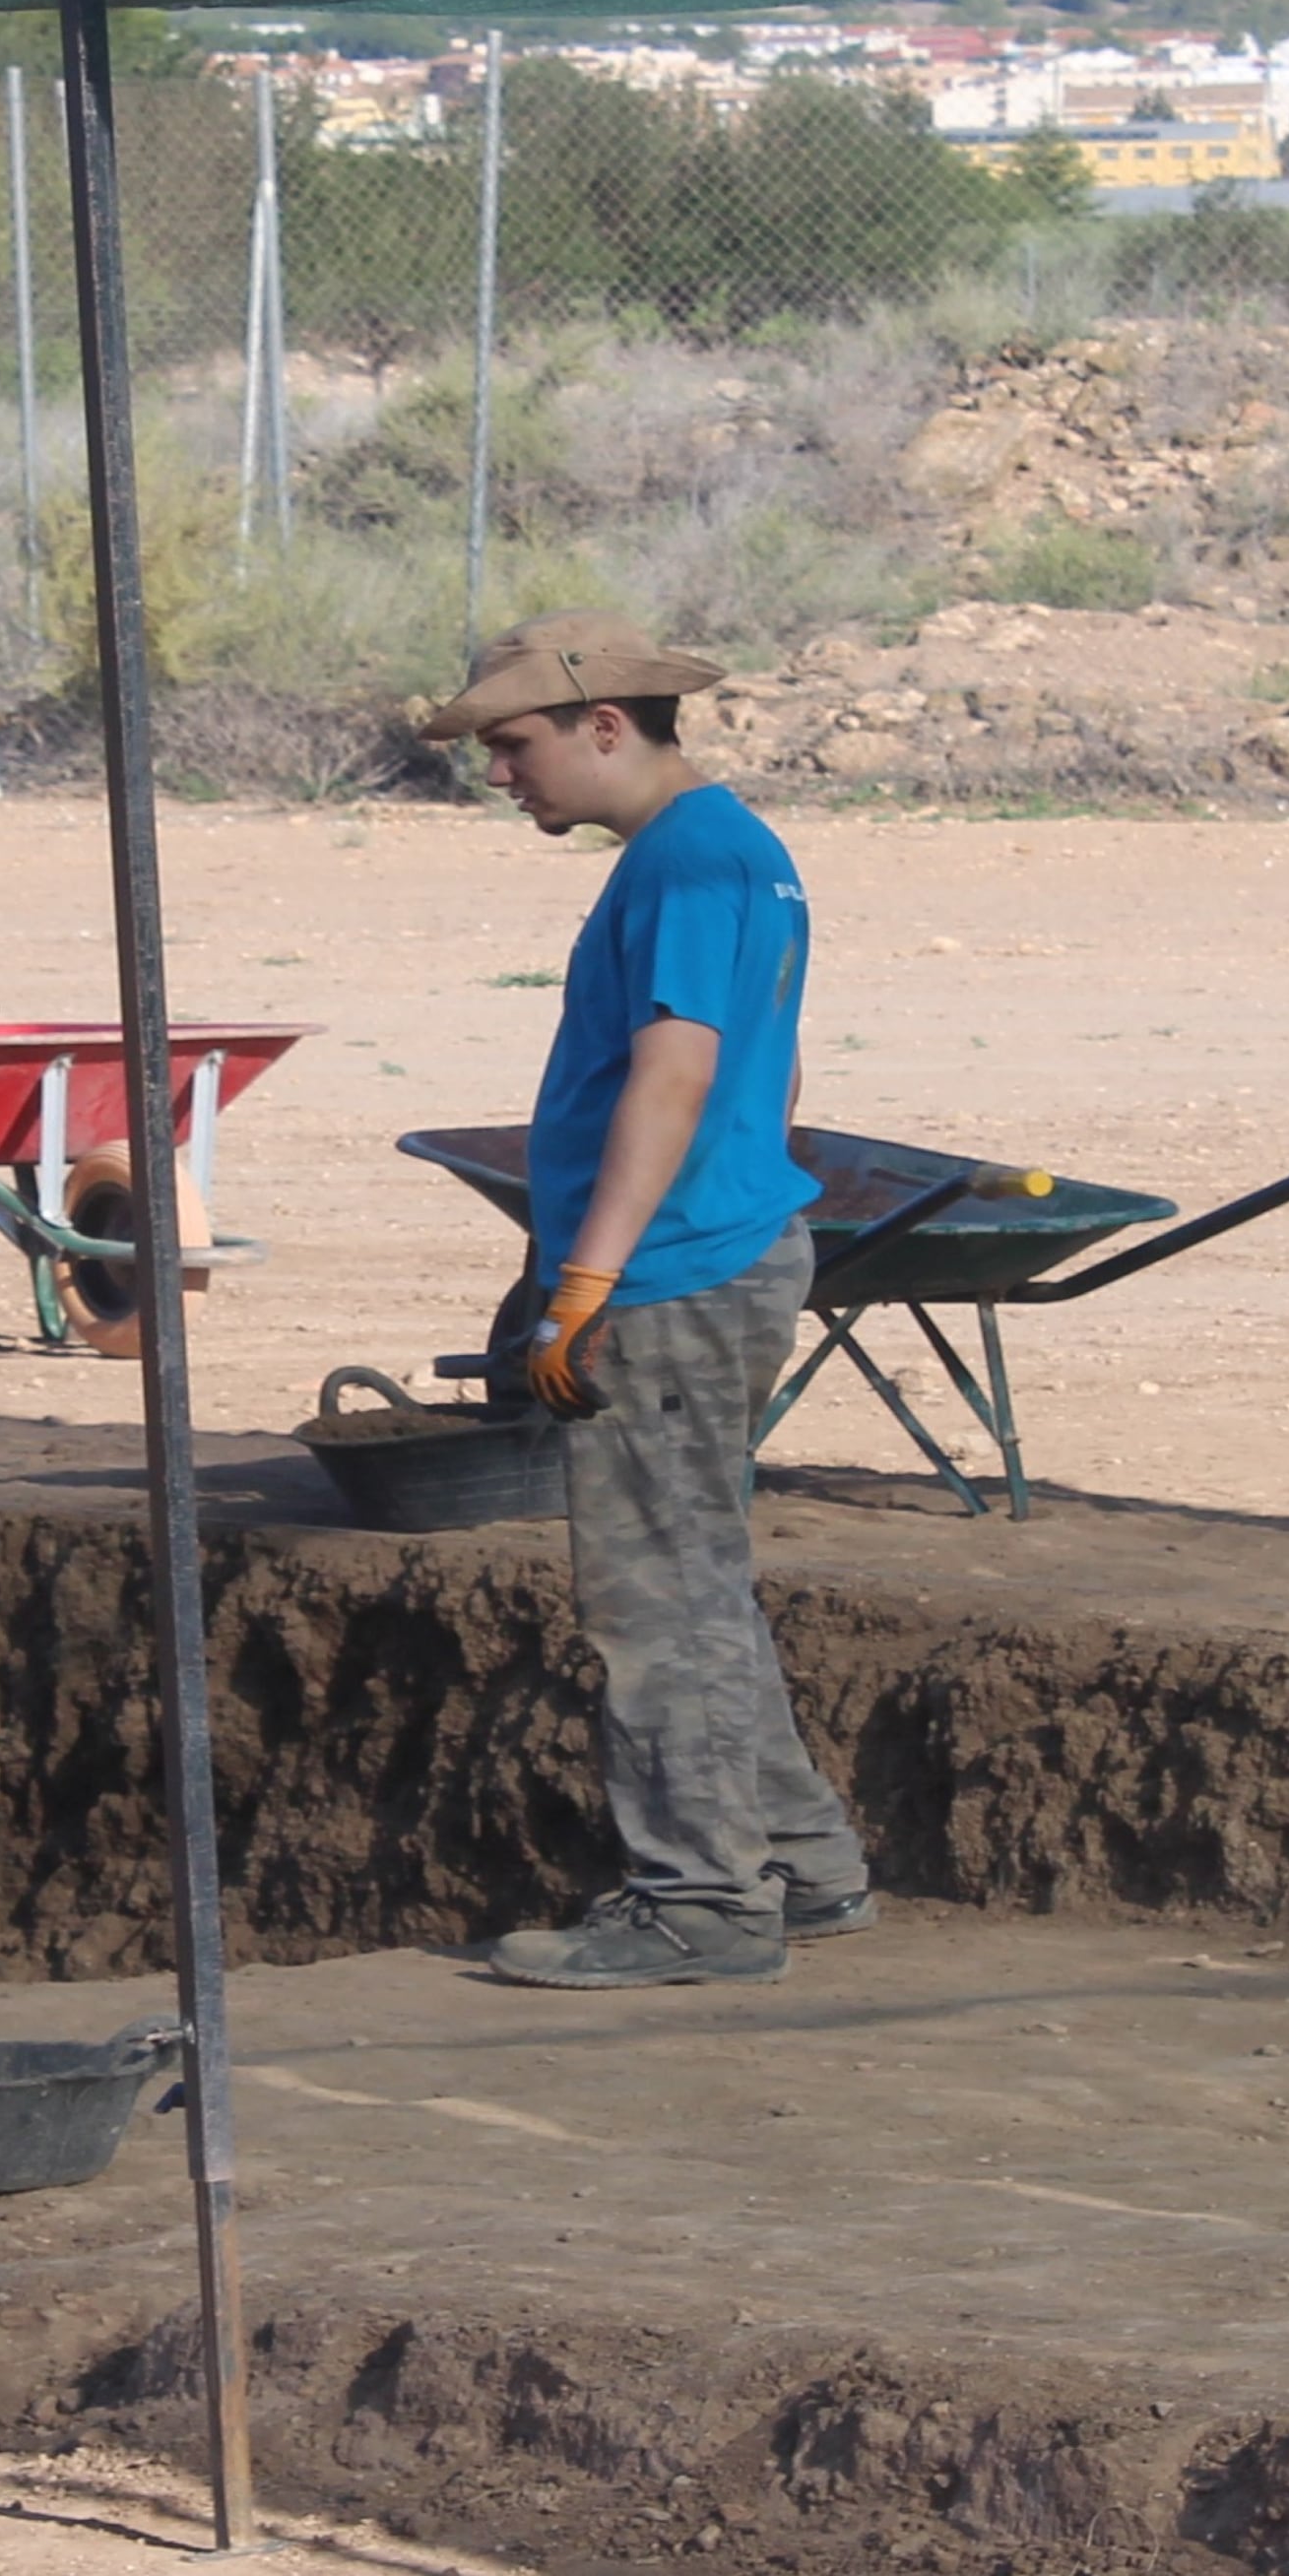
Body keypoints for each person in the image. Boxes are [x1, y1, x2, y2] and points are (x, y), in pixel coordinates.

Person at [420, 610, 872, 1990]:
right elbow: (772, 1078)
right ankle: (799, 1864)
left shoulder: (685, 867)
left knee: (653, 1602)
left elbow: (675, 1074)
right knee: (697, 1578)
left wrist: (585, 1282)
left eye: (515, 746)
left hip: (671, 1281)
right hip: (707, 1254)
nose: (503, 775)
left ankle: (702, 1905)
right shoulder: (738, 856)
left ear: (604, 724)